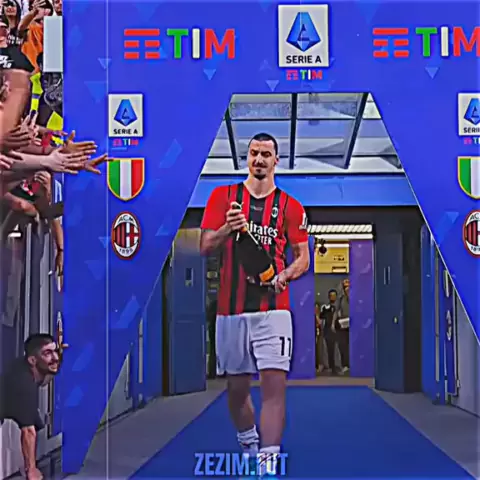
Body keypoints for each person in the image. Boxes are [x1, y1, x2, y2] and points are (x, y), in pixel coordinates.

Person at [200, 132, 310, 476]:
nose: (259, 159)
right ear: (246, 158)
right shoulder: (223, 197)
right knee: (236, 391)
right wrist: (227, 228)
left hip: (274, 312)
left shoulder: (291, 207)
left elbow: (303, 258)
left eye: (265, 154)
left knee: (275, 388)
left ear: (277, 160)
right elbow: (205, 245)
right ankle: (248, 443)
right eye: (253, 153)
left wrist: (285, 275)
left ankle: (267, 464)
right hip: (230, 312)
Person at [0, 333, 60, 480]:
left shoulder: (31, 368)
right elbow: (28, 431)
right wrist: (31, 470)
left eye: (55, 351)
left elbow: (45, 379)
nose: (55, 357)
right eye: (47, 353)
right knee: (30, 427)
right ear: (32, 360)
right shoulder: (23, 383)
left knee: (34, 420)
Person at [321, 289, 338, 374]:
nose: (333, 297)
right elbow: (321, 317)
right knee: (329, 349)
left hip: (338, 330)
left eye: (334, 295)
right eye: (331, 296)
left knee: (338, 349)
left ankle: (340, 366)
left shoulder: (338, 307)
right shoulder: (325, 307)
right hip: (328, 331)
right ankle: (331, 367)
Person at [335, 279, 350, 373]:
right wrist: (333, 323)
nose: (347, 289)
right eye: (345, 287)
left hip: (354, 324)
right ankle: (345, 364)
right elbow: (336, 311)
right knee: (343, 345)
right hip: (343, 324)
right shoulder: (341, 299)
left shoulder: (356, 297)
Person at [314, 302, 325, 373]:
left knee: (319, 349)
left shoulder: (320, 315)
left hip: (320, 335)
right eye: (315, 308)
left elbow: (320, 323)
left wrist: (317, 316)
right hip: (314, 334)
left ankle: (319, 365)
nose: (316, 309)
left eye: (317, 308)